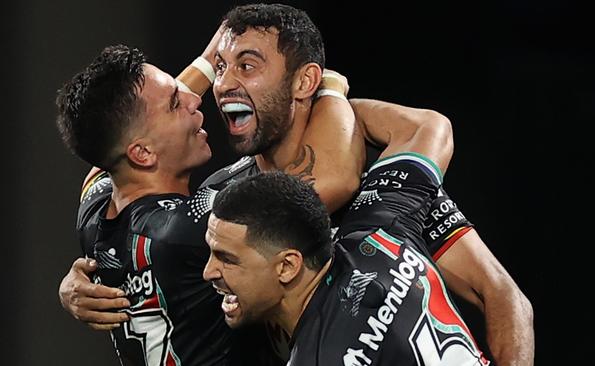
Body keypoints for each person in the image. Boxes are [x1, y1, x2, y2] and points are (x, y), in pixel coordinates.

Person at [60, 3, 533, 365]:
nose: (217, 88)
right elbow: (335, 177)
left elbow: (502, 295)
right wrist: (330, 91)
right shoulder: (227, 205)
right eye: (220, 69)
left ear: (300, 80)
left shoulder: (379, 175)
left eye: (246, 65)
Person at [55, 41, 361, 365]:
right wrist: (328, 86)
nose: (193, 98)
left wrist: (216, 53)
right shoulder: (190, 229)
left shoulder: (95, 207)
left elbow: (108, 145)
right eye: (175, 103)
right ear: (142, 154)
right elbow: (335, 179)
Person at [201, 129, 488, 364]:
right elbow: (425, 128)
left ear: (287, 266)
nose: (208, 272)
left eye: (226, 258)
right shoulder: (380, 232)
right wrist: (331, 94)